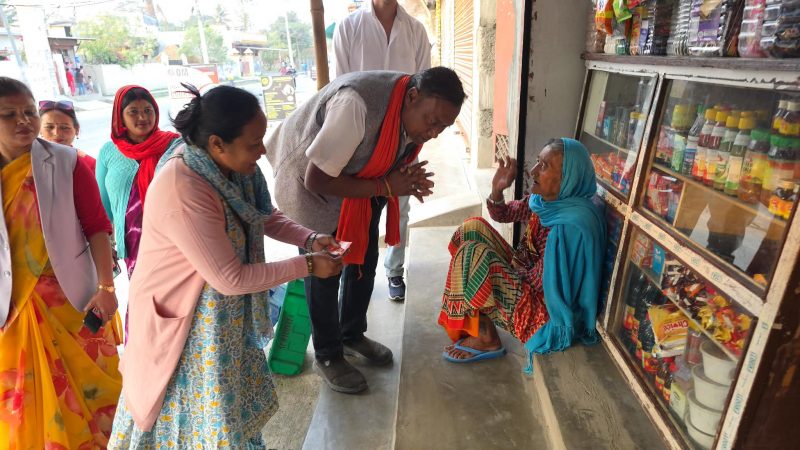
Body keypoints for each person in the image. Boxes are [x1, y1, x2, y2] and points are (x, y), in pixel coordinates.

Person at [108, 84, 342, 447]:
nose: (262, 151)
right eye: (254, 143)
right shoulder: (184, 186)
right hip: (187, 324)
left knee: (227, 413)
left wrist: (309, 238)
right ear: (217, 143)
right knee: (188, 420)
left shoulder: (236, 166)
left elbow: (263, 215)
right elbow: (231, 278)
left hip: (222, 317)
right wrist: (308, 265)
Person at [265, 67, 465, 393]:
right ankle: (328, 355)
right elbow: (317, 179)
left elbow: (391, 152)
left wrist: (402, 179)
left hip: (358, 184)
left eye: (443, 127)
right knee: (324, 270)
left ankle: (351, 334)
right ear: (413, 97)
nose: (434, 133)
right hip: (309, 186)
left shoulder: (409, 109)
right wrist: (386, 185)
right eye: (432, 122)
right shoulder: (355, 105)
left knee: (363, 260)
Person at [0, 77, 122, 447]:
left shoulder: (66, 161)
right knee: (25, 403)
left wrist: (106, 287)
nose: (24, 121)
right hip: (11, 308)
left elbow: (97, 227)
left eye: (29, 112)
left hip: (72, 301)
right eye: (9, 114)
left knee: (95, 397)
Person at [439, 138, 606, 370]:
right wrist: (497, 189)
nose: (533, 170)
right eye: (538, 161)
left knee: (473, 255)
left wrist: (494, 270)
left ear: (567, 177)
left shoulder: (571, 225)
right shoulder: (545, 202)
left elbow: (541, 284)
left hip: (545, 312)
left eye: (544, 166)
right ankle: (478, 323)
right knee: (472, 228)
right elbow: (504, 214)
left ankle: (486, 337)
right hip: (528, 277)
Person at [334, 0, 432, 302]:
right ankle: (351, 274)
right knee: (357, 207)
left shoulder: (415, 30)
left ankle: (394, 270)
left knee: (400, 205)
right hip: (359, 140)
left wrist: (417, 136)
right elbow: (340, 86)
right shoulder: (349, 28)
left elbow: (425, 90)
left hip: (403, 138)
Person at [96, 85, 181, 279]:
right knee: (145, 293)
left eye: (148, 110)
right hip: (133, 243)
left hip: (174, 240)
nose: (142, 117)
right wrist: (106, 244)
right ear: (120, 116)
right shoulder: (108, 152)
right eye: (133, 111)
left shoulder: (174, 145)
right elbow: (102, 206)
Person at [38, 99, 97, 172]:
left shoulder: (91, 165)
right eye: (49, 127)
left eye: (64, 127)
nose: (56, 133)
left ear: (77, 130)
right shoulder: (30, 162)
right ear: (39, 129)